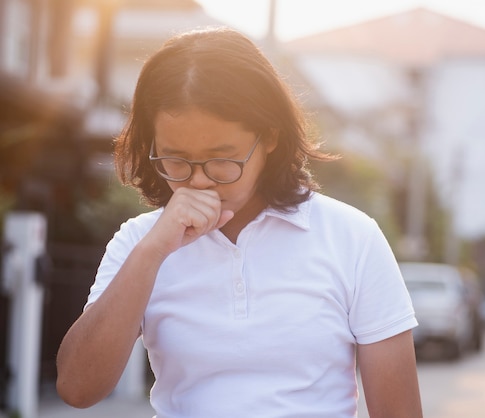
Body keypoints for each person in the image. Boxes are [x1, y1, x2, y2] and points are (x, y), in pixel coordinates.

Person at [56, 27, 423, 418]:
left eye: (222, 158)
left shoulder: (352, 238)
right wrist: (152, 251)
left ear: (270, 137)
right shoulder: (139, 243)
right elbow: (78, 388)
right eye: (175, 159)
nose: (199, 180)